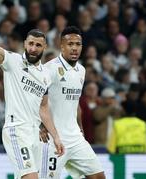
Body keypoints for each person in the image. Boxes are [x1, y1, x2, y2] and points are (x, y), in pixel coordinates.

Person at [0, 8, 64, 179]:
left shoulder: (45, 75)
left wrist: (55, 136)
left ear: (45, 47)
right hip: (16, 130)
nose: (33, 48)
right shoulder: (13, 61)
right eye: (31, 44)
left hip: (35, 134)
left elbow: (43, 108)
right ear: (25, 43)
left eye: (38, 45)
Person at [40, 26, 105, 179]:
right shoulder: (49, 69)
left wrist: (80, 128)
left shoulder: (81, 71)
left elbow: (75, 103)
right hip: (53, 140)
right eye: (70, 44)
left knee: (98, 176)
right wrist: (39, 125)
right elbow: (33, 100)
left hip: (75, 138)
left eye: (78, 44)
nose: (74, 48)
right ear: (61, 46)